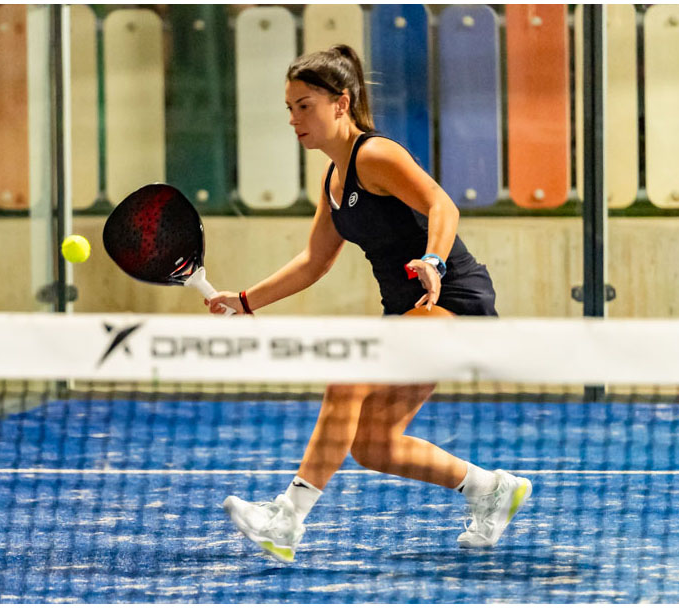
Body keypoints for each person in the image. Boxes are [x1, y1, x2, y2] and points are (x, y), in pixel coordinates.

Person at [205, 45, 531, 563]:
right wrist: (244, 301)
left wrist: (433, 259)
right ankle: (489, 490)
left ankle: (287, 518)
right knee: (373, 443)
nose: (293, 119)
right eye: (289, 108)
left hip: (452, 299)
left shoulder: (375, 155)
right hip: (407, 313)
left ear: (341, 103)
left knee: (349, 375)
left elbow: (441, 204)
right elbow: (314, 261)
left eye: (304, 106)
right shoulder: (333, 181)